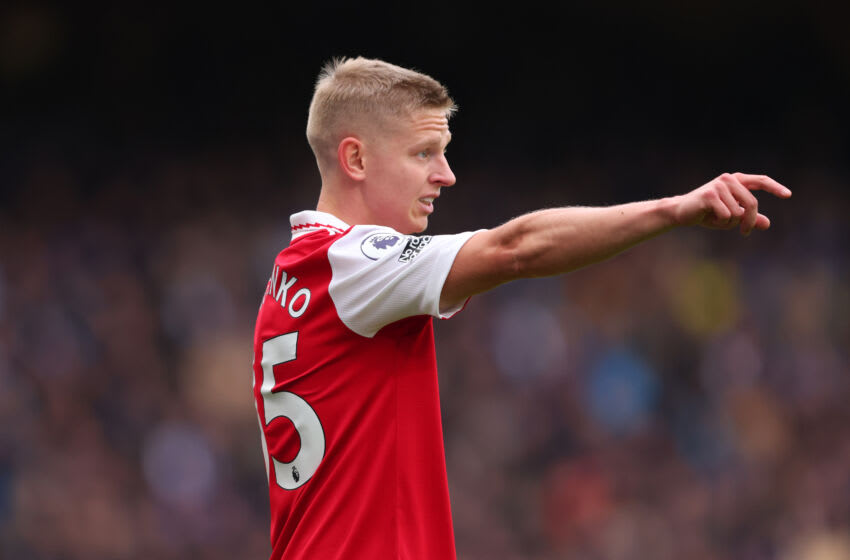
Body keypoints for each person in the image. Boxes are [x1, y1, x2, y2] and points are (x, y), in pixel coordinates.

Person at [251, 57, 791, 560]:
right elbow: (516, 248)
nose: (446, 175)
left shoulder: (294, 278)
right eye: (423, 153)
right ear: (356, 158)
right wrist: (674, 210)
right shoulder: (351, 264)